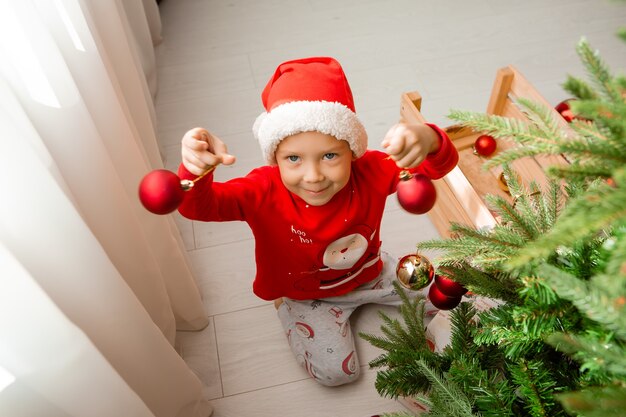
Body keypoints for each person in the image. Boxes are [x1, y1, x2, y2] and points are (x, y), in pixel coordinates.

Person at [178, 57, 458, 386]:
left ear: (352, 151)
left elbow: (436, 169)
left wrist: (430, 139)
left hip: (373, 273)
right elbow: (199, 208)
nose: (313, 177)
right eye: (293, 159)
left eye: (330, 156)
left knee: (452, 297)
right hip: (308, 296)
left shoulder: (371, 170)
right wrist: (195, 172)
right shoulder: (261, 190)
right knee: (337, 374)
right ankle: (285, 308)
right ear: (275, 158)